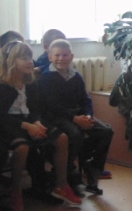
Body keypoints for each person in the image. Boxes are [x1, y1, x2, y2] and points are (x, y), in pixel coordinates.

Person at [0, 41, 81, 211]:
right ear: (11, 61)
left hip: (29, 121)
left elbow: (35, 108)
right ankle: (15, 190)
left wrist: (36, 122)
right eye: (24, 58)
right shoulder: (0, 86)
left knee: (61, 138)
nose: (30, 61)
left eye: (30, 57)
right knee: (22, 148)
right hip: (7, 126)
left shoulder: (30, 83)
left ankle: (61, 184)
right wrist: (27, 126)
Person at [38, 39, 113, 194]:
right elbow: (52, 105)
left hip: (77, 115)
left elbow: (85, 99)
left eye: (65, 55)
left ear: (71, 57)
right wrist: (75, 119)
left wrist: (88, 115)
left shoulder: (76, 76)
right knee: (75, 134)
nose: (61, 58)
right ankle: (66, 173)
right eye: (57, 55)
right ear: (50, 57)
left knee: (106, 131)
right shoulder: (46, 77)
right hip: (56, 117)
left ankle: (93, 169)